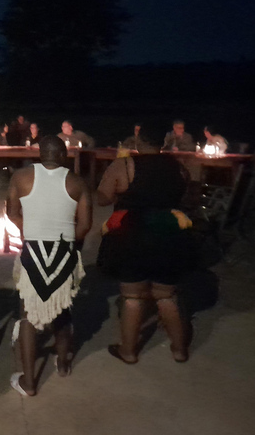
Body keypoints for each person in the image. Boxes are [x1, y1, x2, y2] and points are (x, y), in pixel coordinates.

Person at [6, 136, 92, 395]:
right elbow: (85, 226)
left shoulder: (21, 177)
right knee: (62, 310)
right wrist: (62, 242)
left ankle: (29, 383)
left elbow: (11, 212)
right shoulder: (77, 182)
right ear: (64, 155)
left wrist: (31, 231)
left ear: (39, 154)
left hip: (33, 251)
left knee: (28, 316)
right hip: (64, 251)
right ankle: (64, 365)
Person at [96, 138, 194, 364]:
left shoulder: (124, 165)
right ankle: (179, 351)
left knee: (132, 296)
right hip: (169, 232)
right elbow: (187, 197)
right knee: (166, 295)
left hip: (133, 233)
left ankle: (128, 352)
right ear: (163, 142)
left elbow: (103, 198)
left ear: (139, 142)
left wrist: (118, 189)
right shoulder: (178, 166)